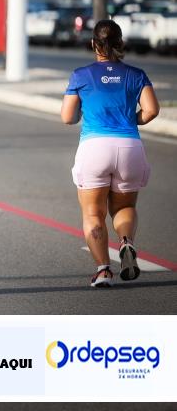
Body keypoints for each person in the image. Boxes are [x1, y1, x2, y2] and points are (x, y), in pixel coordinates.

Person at [61, 19, 159, 288]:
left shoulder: (81, 75)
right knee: (125, 207)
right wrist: (130, 119)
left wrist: (82, 113)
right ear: (121, 43)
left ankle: (104, 270)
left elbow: (68, 117)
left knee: (93, 214)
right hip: (129, 147)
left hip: (94, 148)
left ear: (94, 44)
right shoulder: (136, 74)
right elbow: (152, 110)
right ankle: (126, 242)